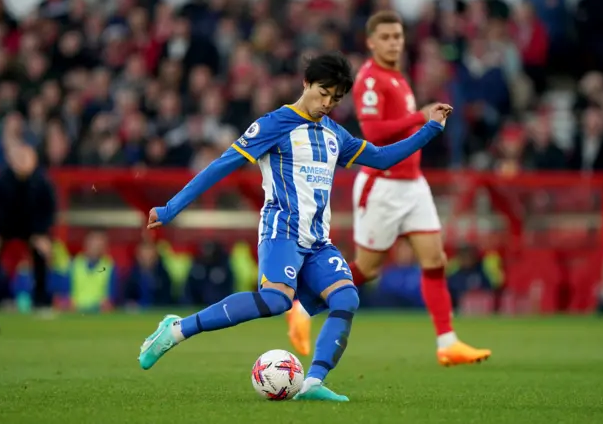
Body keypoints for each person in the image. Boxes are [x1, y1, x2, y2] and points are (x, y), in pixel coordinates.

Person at [137, 52, 451, 402]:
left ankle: (313, 382)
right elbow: (221, 166)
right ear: (306, 84)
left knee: (347, 296)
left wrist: (430, 129)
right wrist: (170, 208)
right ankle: (176, 330)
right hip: (281, 232)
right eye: (322, 92)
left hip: (317, 240)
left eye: (336, 98)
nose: (327, 103)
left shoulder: (334, 134)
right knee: (276, 301)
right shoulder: (275, 124)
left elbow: (380, 158)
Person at [286, 11, 491, 366]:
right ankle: (301, 309)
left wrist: (419, 116)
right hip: (383, 187)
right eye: (386, 37)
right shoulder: (369, 79)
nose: (394, 42)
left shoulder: (397, 75)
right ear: (371, 42)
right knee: (366, 268)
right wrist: (420, 116)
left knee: (435, 259)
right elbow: (375, 133)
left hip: (413, 183)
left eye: (398, 36)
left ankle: (447, 342)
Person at [0, 144, 56, 312]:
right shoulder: (1, 181)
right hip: (5, 227)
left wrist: (41, 233)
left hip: (33, 229)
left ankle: (41, 300)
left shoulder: (42, 182)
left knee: (42, 252)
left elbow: (48, 210)